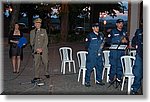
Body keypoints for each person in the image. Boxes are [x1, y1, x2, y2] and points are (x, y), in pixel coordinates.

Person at [84, 23, 105, 87]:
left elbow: (103, 44)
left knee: (100, 67)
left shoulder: (101, 35)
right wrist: (92, 51)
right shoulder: (90, 35)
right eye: (95, 27)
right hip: (92, 55)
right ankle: (87, 81)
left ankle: (98, 80)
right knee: (89, 68)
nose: (97, 28)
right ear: (93, 28)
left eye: (98, 27)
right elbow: (86, 45)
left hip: (99, 55)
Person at [108, 19, 128, 83]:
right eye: (119, 23)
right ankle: (111, 78)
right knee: (113, 65)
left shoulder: (124, 32)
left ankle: (119, 78)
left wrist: (126, 41)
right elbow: (108, 41)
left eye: (122, 23)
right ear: (116, 24)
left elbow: (127, 41)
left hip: (121, 51)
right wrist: (118, 41)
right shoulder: (112, 31)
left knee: (120, 65)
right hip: (114, 51)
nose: (121, 25)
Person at [131, 21, 143, 95]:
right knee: (138, 73)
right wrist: (135, 44)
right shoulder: (138, 32)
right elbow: (133, 41)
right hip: (140, 54)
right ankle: (134, 89)